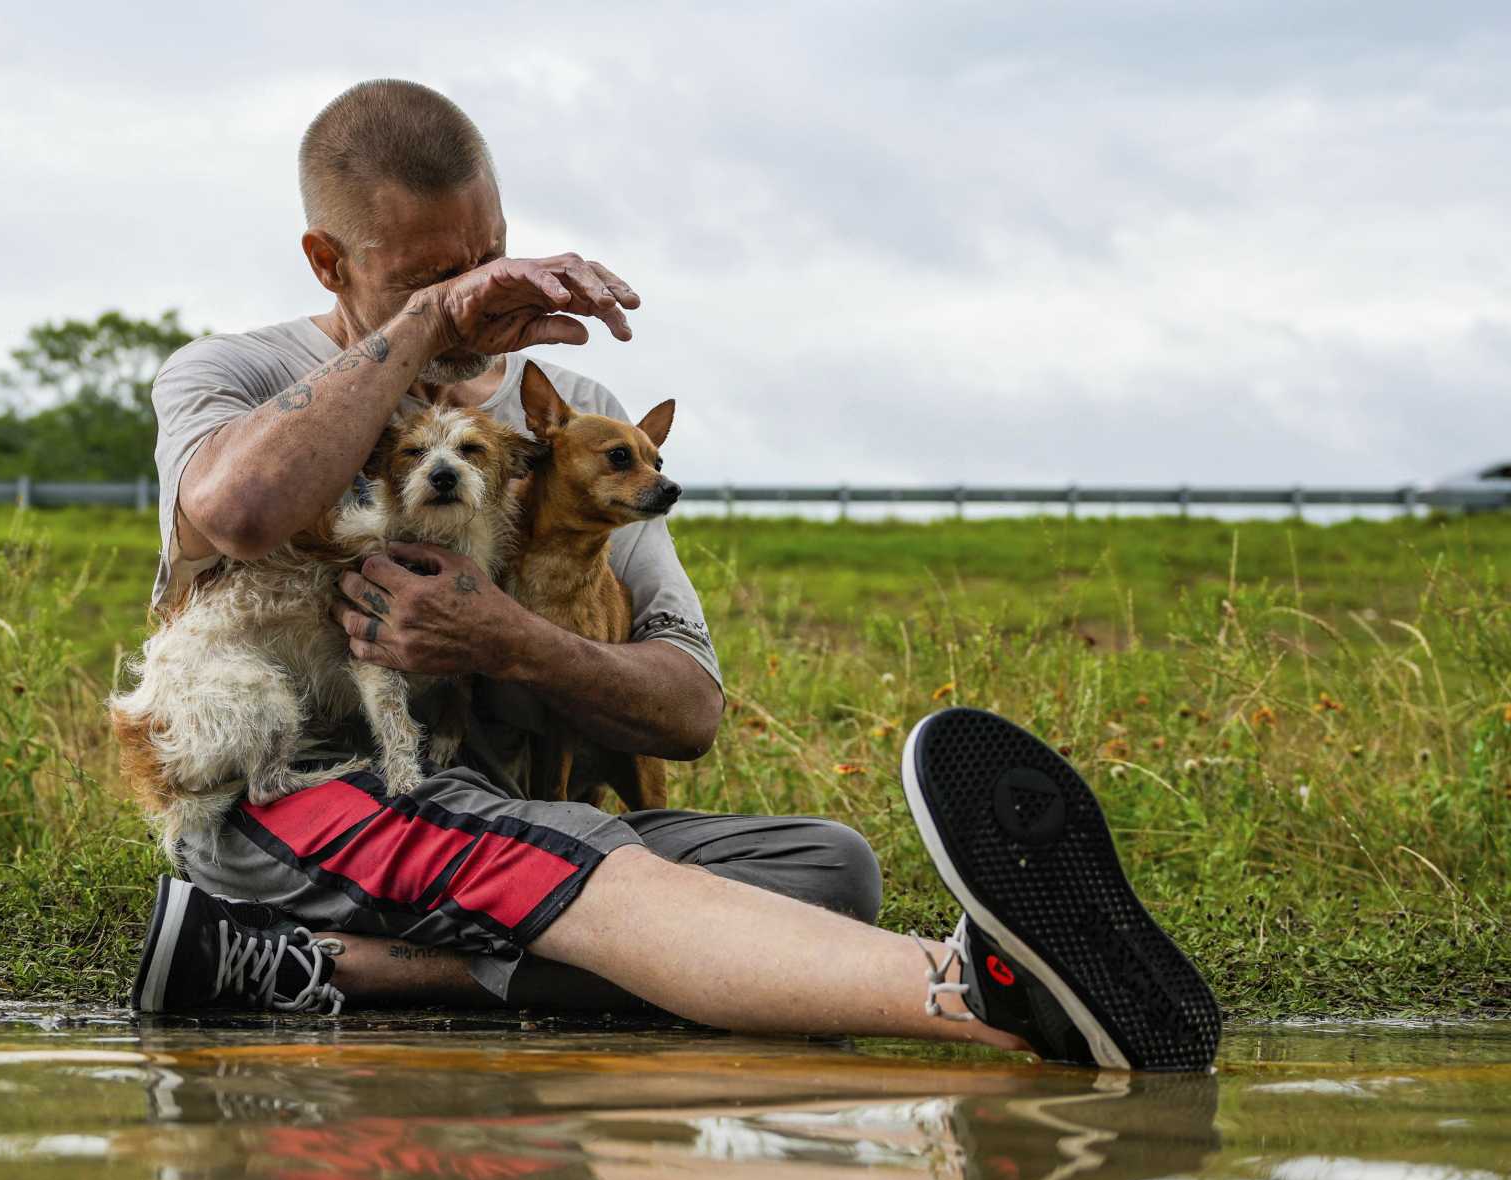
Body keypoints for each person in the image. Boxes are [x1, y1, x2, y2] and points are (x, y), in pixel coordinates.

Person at [124, 79, 1220, 1071]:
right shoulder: (234, 375)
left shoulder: (572, 422)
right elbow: (237, 511)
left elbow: (686, 711)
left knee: (824, 870)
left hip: (502, 819)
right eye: (429, 278)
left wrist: (504, 637)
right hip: (298, 798)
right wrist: (422, 331)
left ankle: (324, 967)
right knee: (577, 848)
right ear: (328, 262)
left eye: (486, 257)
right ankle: (974, 987)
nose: (475, 297)